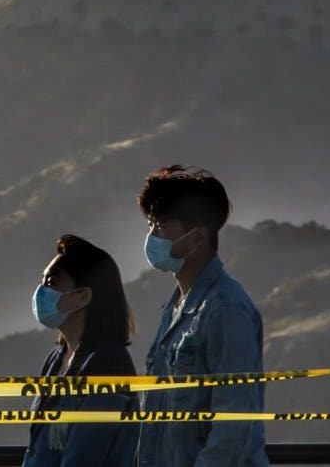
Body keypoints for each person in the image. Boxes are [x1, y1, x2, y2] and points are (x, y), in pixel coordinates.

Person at [135, 165, 268, 466]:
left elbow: (233, 426)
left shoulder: (225, 310)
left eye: (161, 226)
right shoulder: (175, 309)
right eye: (151, 225)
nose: (152, 236)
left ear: (197, 237)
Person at [23, 234, 139, 467]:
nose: (41, 292)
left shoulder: (108, 364)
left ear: (82, 297)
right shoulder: (57, 359)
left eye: (51, 283)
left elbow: (84, 455)